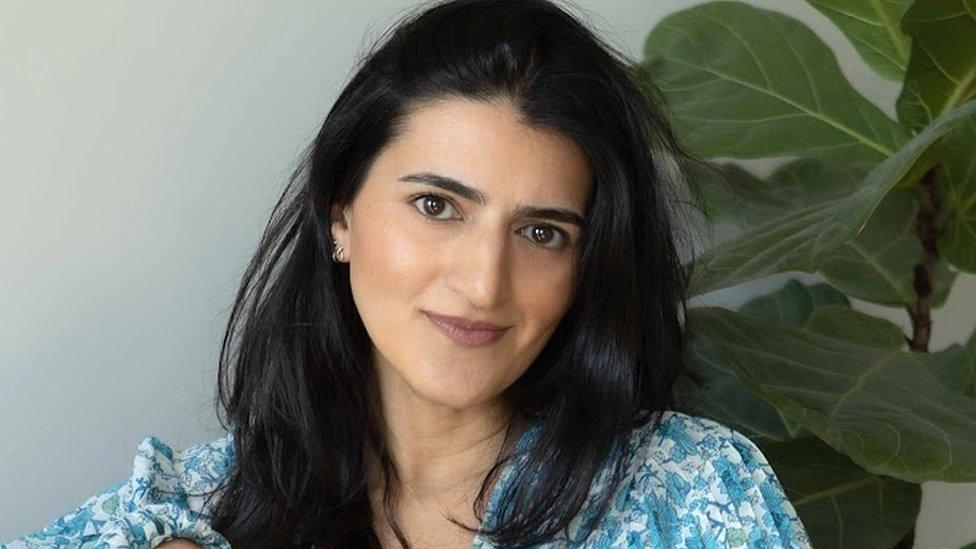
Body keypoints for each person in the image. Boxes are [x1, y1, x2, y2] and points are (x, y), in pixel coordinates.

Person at [3, 0, 812, 547]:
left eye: (541, 231)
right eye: (437, 206)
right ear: (341, 214)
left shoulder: (695, 496)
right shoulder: (202, 502)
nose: (484, 283)